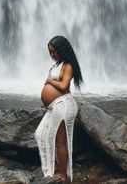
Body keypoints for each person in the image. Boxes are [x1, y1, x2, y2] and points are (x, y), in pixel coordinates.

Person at [35, 35, 83, 183]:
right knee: (40, 134)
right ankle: (53, 168)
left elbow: (63, 86)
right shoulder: (56, 65)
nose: (52, 55)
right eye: (50, 52)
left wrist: (49, 81)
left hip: (64, 104)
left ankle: (62, 173)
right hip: (54, 107)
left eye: (54, 51)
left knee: (60, 141)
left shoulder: (68, 65)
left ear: (62, 50)